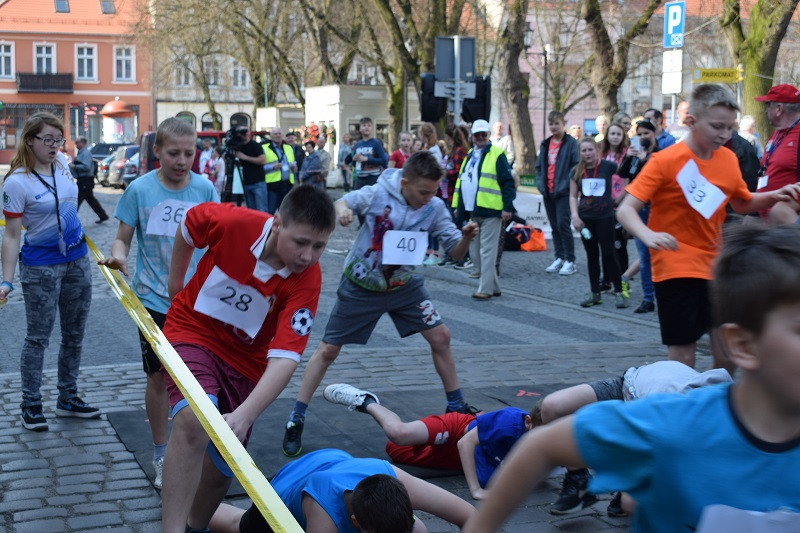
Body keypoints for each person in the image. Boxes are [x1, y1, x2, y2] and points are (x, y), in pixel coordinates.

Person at [464, 223, 800, 533]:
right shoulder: (675, 424)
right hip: (628, 385)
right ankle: (578, 482)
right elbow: (541, 444)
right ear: (743, 345)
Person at [159, 187, 336, 533]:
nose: (307, 256)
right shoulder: (234, 222)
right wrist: (175, 283)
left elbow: (286, 357)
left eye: (319, 246)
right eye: (300, 242)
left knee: (224, 464)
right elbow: (188, 226)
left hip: (245, 364)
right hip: (192, 331)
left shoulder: (308, 279)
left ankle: (197, 526)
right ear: (277, 223)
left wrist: (244, 416)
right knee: (195, 420)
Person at [281, 151, 479, 457]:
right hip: (362, 284)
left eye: (433, 192)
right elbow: (343, 202)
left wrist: (466, 237)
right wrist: (344, 211)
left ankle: (457, 405)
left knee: (441, 336)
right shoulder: (377, 193)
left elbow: (455, 251)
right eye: (423, 192)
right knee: (328, 350)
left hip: (404, 285)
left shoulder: (435, 207)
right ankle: (296, 416)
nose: (429, 198)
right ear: (405, 182)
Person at [617, 83, 800, 371]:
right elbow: (626, 209)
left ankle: (715, 406)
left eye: (730, 128)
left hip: (716, 265)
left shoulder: (728, 158)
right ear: (691, 121)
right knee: (683, 358)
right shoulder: (664, 161)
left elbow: (741, 202)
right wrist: (648, 234)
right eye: (717, 127)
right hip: (674, 266)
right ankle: (682, 411)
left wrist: (776, 194)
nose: (725, 135)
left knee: (727, 354)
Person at [97, 118, 219, 489]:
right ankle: (161, 453)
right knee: (158, 377)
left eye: (189, 152)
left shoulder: (205, 188)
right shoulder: (139, 190)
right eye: (173, 153)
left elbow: (219, 241)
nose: (182, 160)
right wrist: (117, 257)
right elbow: (122, 239)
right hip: (152, 300)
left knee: (202, 375)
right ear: (157, 152)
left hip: (199, 301)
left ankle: (205, 448)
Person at [1, 112, 99, 432]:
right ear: (29, 140)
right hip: (40, 268)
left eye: (59, 139)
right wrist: (6, 280)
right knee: (38, 338)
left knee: (74, 334)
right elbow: (12, 235)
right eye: (48, 139)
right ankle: (31, 403)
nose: (55, 145)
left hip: (77, 262)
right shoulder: (17, 182)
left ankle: (67, 397)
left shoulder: (62, 166)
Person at [536, 360, 732, 516]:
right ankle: (578, 480)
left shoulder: (702, 436)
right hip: (629, 386)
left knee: (634, 499)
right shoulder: (685, 411)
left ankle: (627, 485)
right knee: (552, 406)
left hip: (652, 416)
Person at [323, 383, 535, 501]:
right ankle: (365, 401)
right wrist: (475, 490)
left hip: (456, 459)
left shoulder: (541, 444)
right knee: (398, 434)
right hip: (456, 430)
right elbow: (465, 444)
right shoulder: (512, 421)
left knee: (395, 451)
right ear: (528, 421)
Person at [208, 448, 476, 532]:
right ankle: (192, 512)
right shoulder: (323, 518)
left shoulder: (397, 479)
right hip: (285, 491)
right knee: (237, 524)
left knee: (420, 531)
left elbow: (470, 517)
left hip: (334, 462)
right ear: (356, 523)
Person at [451, 119, 516, 299]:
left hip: (492, 210)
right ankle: (494, 286)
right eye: (477, 135)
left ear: (488, 135)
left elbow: (507, 183)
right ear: (472, 137)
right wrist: (458, 206)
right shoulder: (470, 155)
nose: (480, 137)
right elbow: (461, 182)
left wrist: (507, 207)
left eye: (483, 134)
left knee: (487, 251)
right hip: (475, 211)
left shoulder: (497, 154)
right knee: (478, 252)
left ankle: (485, 289)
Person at [569, 137, 628, 308]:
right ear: (580, 152)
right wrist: (575, 216)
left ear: (597, 150)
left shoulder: (607, 166)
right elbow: (573, 196)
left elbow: (625, 175)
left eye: (590, 150)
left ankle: (619, 292)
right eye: (584, 150)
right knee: (592, 255)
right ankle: (595, 293)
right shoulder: (576, 171)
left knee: (609, 254)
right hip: (586, 219)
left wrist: (621, 196)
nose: (587, 154)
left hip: (605, 217)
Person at [616, 118, 659, 314]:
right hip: (639, 210)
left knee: (657, 254)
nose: (642, 138)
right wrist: (628, 156)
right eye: (639, 134)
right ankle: (648, 299)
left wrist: (645, 159)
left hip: (657, 209)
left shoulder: (659, 155)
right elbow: (622, 172)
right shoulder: (635, 154)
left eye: (646, 134)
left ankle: (658, 294)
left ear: (654, 134)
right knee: (644, 254)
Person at [536, 111, 580, 276]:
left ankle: (570, 260)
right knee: (554, 226)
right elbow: (539, 166)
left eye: (557, 123)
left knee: (563, 224)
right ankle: (559, 257)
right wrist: (541, 185)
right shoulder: (545, 144)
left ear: (563, 123)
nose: (554, 127)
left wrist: (567, 185)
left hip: (563, 191)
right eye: (551, 124)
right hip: (548, 190)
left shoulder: (570, 143)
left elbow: (575, 166)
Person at [754, 84, 800, 219]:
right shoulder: (778, 133)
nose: (765, 111)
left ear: (779, 108)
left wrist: (784, 209)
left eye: (768, 105)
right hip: (768, 222)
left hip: (787, 228)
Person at [599, 123, 630, 288]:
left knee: (619, 244)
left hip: (619, 201)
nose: (615, 137)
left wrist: (621, 197)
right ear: (607, 135)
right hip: (603, 202)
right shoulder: (602, 154)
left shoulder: (626, 154)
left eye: (618, 134)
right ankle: (607, 278)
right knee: (605, 243)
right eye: (612, 134)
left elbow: (628, 180)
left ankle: (623, 277)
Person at [70, 135, 109, 223]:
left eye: (77, 142)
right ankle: (103, 215)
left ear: (82, 143)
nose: (75, 144)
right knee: (91, 200)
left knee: (77, 200)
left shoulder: (85, 153)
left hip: (85, 181)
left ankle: (70, 219)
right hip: (83, 180)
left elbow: (86, 167)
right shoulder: (81, 153)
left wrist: (74, 166)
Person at [232, 127, 268, 213]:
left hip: (258, 182)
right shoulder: (238, 146)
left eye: (244, 132)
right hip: (246, 182)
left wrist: (245, 157)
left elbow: (263, 160)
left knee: (261, 210)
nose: (242, 135)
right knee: (251, 211)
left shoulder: (255, 145)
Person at [346, 117, 388, 190]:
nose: (366, 127)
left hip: (373, 178)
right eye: (364, 125)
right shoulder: (357, 144)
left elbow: (383, 161)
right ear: (360, 129)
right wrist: (354, 159)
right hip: (360, 179)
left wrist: (366, 159)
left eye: (369, 125)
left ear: (372, 128)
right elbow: (354, 164)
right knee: (358, 200)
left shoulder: (376, 143)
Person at [263, 127, 297, 214]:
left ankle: (283, 227)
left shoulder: (288, 148)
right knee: (270, 211)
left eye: (279, 133)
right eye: (275, 134)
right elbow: (260, 167)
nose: (278, 135)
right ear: (271, 136)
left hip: (287, 184)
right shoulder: (264, 148)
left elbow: (292, 162)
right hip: (272, 185)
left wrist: (294, 168)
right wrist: (272, 167)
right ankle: (270, 227)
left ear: (282, 135)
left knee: (285, 212)